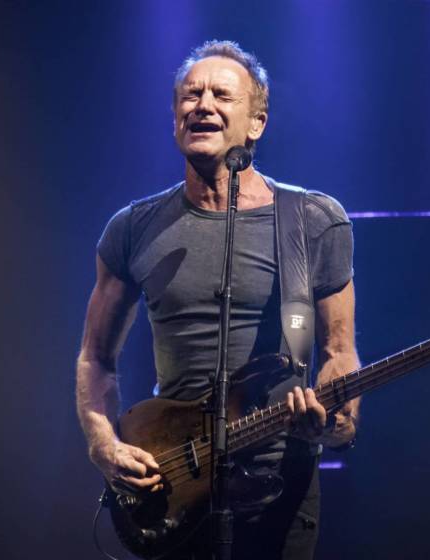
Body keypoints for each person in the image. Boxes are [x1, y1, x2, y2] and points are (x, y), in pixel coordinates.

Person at [76, 40, 361, 559]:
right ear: (175, 118)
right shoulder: (133, 228)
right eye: (191, 95)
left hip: (280, 486)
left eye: (222, 96)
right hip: (171, 485)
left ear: (256, 123)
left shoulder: (311, 221)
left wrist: (336, 422)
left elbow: (338, 353)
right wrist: (103, 442)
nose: (202, 105)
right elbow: (96, 357)